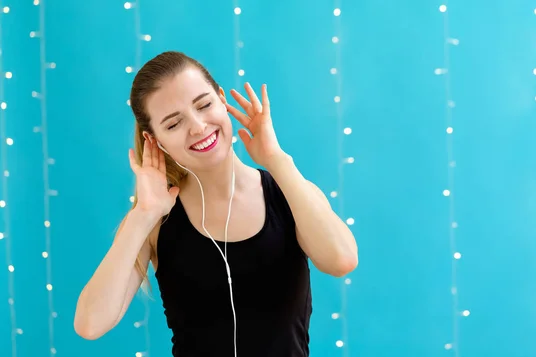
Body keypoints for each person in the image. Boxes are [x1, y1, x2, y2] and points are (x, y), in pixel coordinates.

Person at [73, 50, 358, 357]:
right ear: (154, 141)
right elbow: (91, 324)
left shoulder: (289, 192)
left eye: (204, 105)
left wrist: (277, 160)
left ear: (222, 99)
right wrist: (143, 214)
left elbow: (341, 260)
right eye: (173, 124)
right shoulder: (155, 221)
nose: (197, 127)